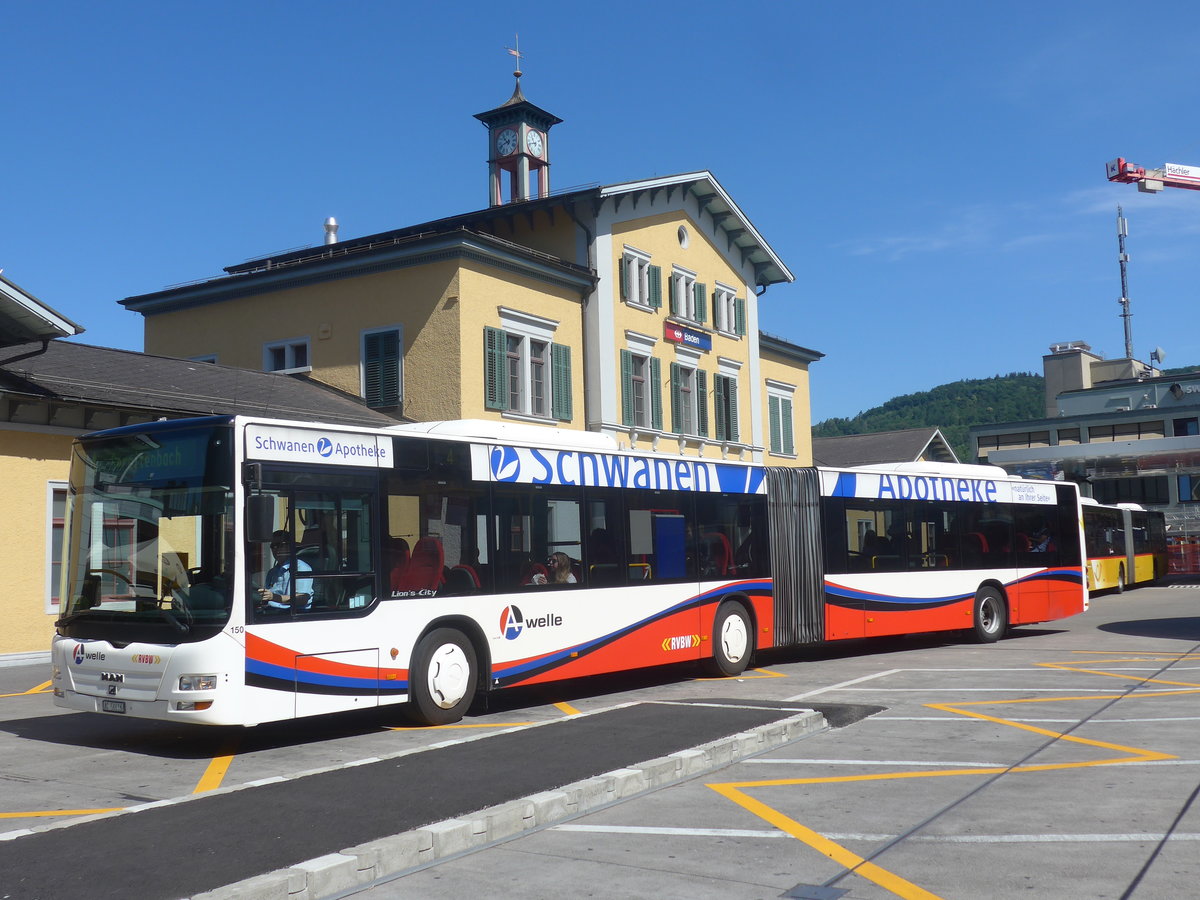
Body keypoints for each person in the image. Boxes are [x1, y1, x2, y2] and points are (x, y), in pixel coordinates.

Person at [259, 530, 313, 611]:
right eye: (273, 546)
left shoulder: (301, 568)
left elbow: (302, 599)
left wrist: (274, 597)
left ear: (289, 546)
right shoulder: (272, 572)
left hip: (292, 614)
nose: (275, 549)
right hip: (271, 612)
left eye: (279, 545)